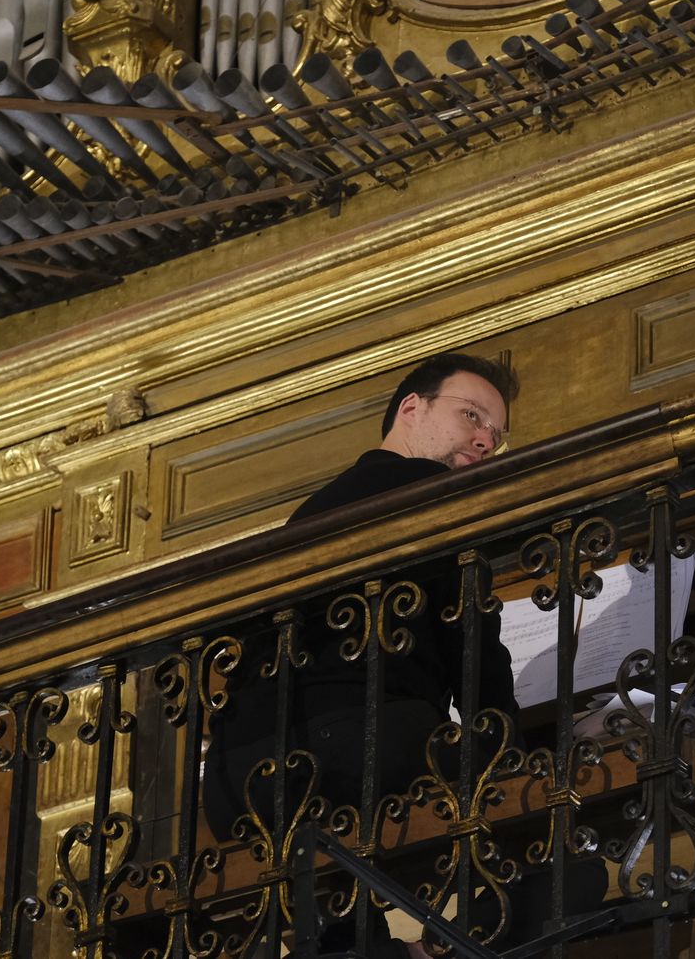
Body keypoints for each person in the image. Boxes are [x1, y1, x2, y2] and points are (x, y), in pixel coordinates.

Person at [204, 353, 526, 957]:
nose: (486, 438)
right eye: (471, 415)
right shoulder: (434, 495)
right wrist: (520, 757)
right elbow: (476, 652)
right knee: (537, 827)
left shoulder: (313, 509)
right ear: (411, 408)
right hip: (358, 745)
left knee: (336, 909)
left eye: (497, 433)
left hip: (236, 782)